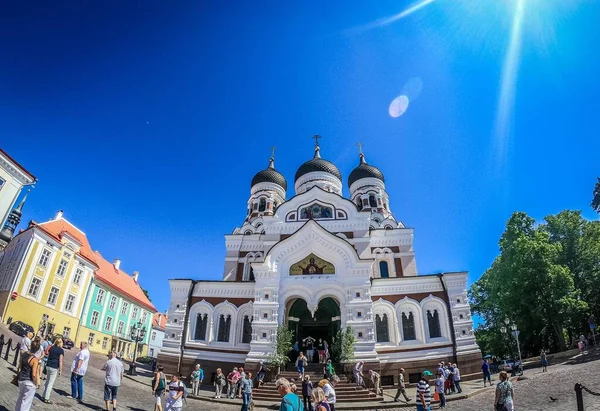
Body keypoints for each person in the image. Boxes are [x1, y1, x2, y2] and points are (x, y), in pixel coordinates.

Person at [15, 338, 40, 411]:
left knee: (20, 399)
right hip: (29, 383)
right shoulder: (35, 359)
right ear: (37, 350)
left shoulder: (24, 354)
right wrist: (36, 383)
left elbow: (20, 365)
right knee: (26, 403)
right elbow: (34, 374)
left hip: (21, 379)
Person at [42, 337, 64, 404]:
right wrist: (60, 370)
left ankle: (43, 396)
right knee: (50, 383)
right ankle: (46, 398)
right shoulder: (61, 350)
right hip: (54, 367)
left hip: (48, 365)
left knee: (47, 382)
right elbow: (60, 361)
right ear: (60, 343)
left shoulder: (51, 347)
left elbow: (47, 353)